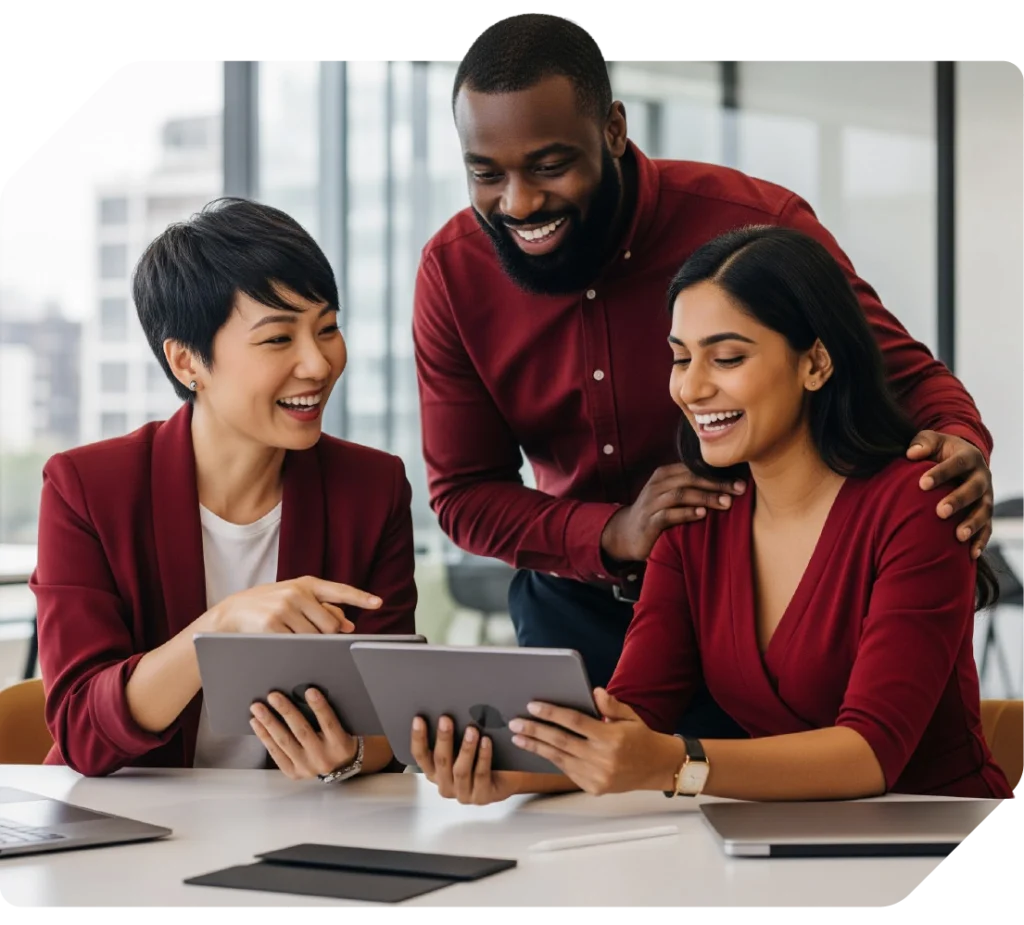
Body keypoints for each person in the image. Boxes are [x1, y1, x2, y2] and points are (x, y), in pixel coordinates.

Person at [412, 12, 997, 738]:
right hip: (579, 611)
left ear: (615, 131)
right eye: (486, 173)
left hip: (755, 610)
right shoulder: (452, 274)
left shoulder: (752, 225)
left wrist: (961, 443)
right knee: (580, 830)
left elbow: (903, 376)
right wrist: (614, 532)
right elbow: (464, 494)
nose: (519, 203)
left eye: (549, 165)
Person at [409, 224, 1015, 804]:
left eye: (725, 358)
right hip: (779, 853)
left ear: (815, 363)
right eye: (680, 358)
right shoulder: (697, 522)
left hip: (933, 833)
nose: (691, 389)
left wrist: (675, 764)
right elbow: (630, 718)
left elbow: (871, 753)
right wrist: (510, 773)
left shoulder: (918, 504)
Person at [30, 198, 418, 780]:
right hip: (124, 829)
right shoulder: (86, 488)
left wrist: (353, 755)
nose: (318, 364)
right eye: (277, 339)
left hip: (299, 825)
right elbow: (83, 730)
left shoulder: (373, 488)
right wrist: (221, 626)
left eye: (328, 328)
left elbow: (392, 717)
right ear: (188, 362)